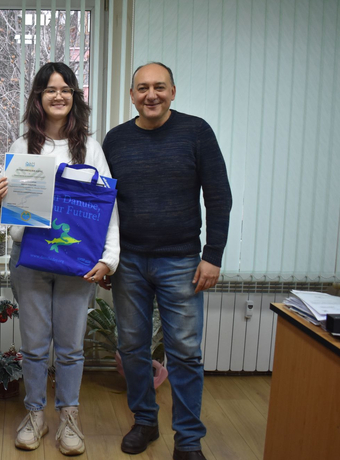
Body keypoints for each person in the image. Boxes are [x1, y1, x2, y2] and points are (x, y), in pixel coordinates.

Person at [102, 62, 232, 460]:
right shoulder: (116, 140)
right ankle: (145, 421)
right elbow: (102, 205)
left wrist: (213, 256)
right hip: (129, 263)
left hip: (182, 262)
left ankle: (188, 440)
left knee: (185, 353)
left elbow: (219, 196)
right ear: (132, 95)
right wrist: (106, 258)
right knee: (132, 348)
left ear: (173, 92)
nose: (151, 95)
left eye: (159, 87)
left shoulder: (196, 132)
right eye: (142, 88)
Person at [0, 62, 120, 456]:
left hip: (76, 263)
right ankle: (35, 415)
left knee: (70, 348)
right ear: (39, 97)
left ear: (74, 96)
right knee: (33, 346)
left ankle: (68, 418)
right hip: (29, 260)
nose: (58, 95)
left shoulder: (91, 148)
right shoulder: (21, 146)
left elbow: (107, 208)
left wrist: (109, 258)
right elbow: (8, 215)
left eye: (65, 89)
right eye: (50, 89)